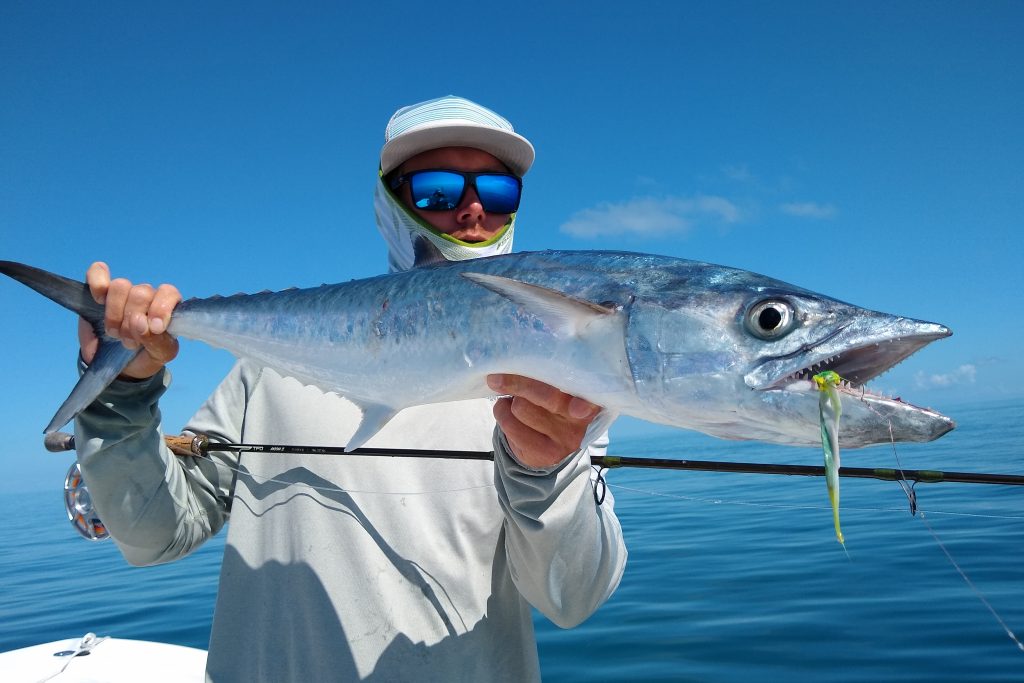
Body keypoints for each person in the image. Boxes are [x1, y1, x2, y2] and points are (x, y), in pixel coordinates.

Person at [75, 95, 627, 682]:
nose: (470, 211)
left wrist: (549, 471)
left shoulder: (558, 394)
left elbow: (572, 599)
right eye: (437, 191)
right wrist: (121, 399)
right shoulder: (274, 369)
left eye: (496, 194)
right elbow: (154, 536)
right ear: (389, 204)